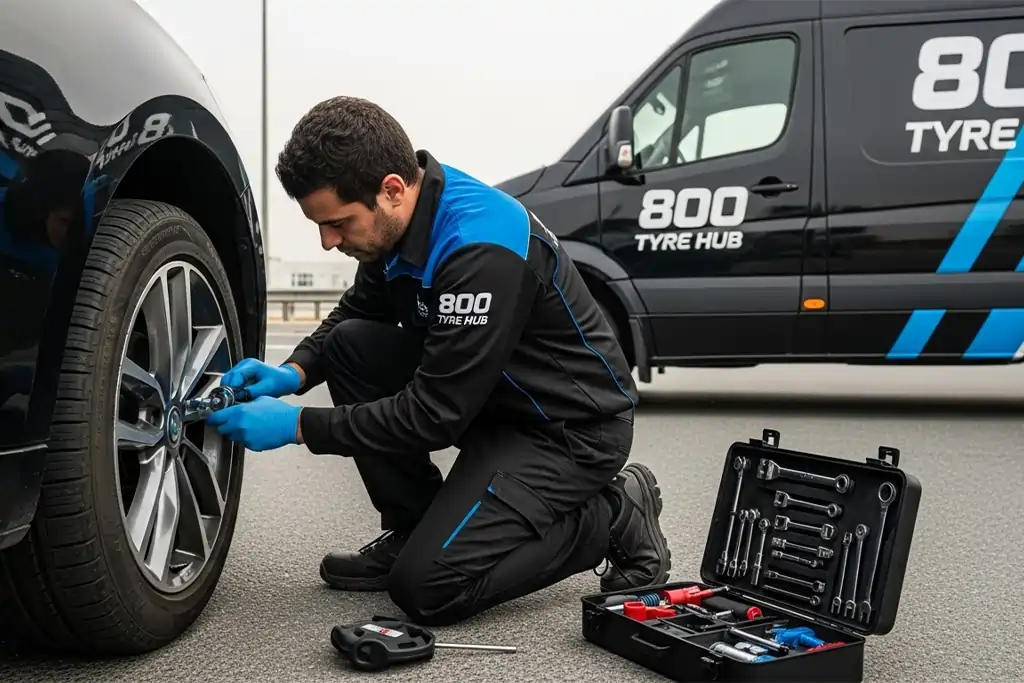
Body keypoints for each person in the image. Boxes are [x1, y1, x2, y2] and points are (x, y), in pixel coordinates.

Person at [206, 96, 672, 626]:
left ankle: (614, 515)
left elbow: (434, 414)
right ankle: (416, 525)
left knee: (427, 588)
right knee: (349, 346)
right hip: (492, 402)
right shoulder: (396, 226)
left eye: (337, 223)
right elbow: (358, 311)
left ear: (392, 190)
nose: (328, 240)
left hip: (567, 431)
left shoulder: (479, 248)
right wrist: (294, 372)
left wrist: (297, 426)